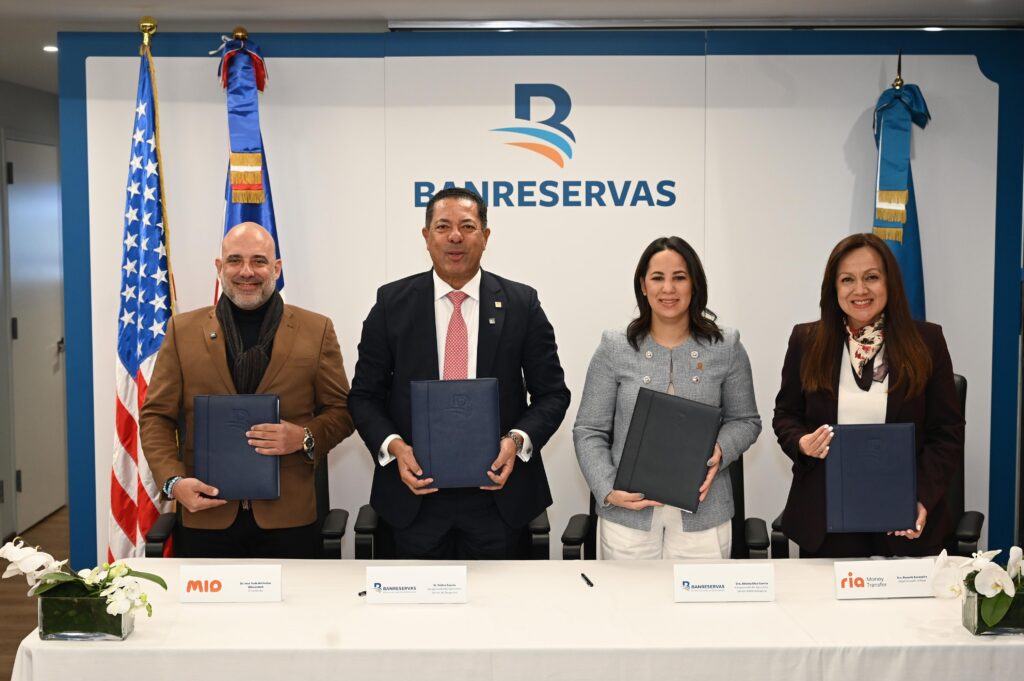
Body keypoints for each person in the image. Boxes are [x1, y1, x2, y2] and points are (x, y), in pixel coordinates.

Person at [348, 187, 570, 559]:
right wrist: (395, 448)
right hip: (413, 498)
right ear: (426, 236)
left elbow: (552, 395)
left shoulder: (521, 304)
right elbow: (364, 397)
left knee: (500, 598)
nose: (455, 237)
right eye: (443, 226)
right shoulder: (391, 304)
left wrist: (516, 442)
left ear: (485, 236)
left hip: (498, 499)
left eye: (467, 226)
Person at [140, 222, 355, 558]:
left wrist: (304, 437)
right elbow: (156, 416)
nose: (246, 272)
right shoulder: (182, 331)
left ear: (276, 268)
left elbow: (343, 412)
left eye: (259, 261)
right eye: (235, 260)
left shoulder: (316, 330)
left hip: (289, 519)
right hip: (205, 513)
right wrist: (173, 482)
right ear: (219, 267)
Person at [773, 232, 964, 558]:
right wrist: (802, 443)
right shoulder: (807, 340)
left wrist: (919, 497)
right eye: (847, 279)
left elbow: (946, 433)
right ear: (833, 288)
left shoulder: (927, 341)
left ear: (890, 283)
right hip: (827, 521)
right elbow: (786, 415)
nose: (860, 290)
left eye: (871, 277)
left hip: (903, 520)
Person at [573, 236, 761, 559]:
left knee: (702, 596)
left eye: (679, 277)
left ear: (694, 284)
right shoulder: (614, 347)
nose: (668, 289)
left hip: (704, 515)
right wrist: (608, 489)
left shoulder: (726, 346)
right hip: (628, 516)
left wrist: (720, 448)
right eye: (657, 278)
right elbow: (588, 430)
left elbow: (746, 421)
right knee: (629, 594)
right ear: (643, 285)